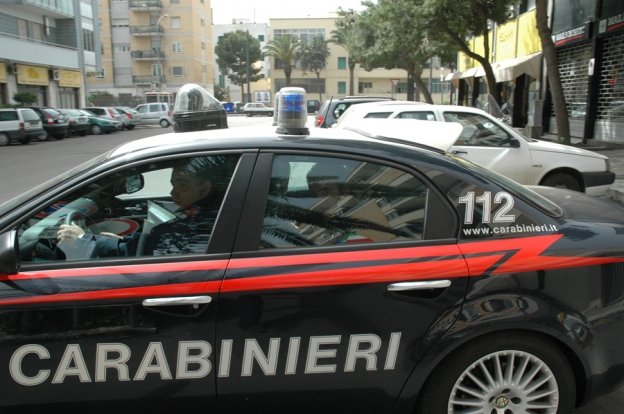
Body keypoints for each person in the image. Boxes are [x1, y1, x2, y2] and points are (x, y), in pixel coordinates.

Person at [57, 157, 228, 257]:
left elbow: (149, 250)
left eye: (182, 185)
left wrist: (83, 241)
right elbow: (152, 243)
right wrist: (120, 241)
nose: (173, 192)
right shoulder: (199, 214)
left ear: (205, 187)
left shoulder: (202, 222)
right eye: (173, 185)